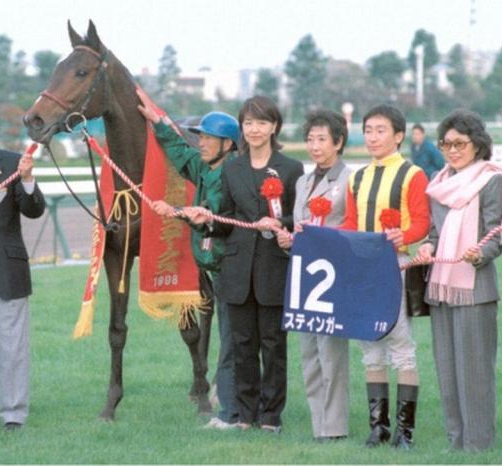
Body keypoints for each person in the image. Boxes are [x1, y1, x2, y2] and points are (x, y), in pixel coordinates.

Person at [188, 95, 304, 433]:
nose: (254, 129)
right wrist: (206, 221)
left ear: (274, 127)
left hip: (273, 267)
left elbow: (298, 220)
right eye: (249, 123)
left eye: (261, 122)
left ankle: (271, 416)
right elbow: (227, 219)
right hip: (237, 270)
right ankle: (245, 414)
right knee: (242, 345)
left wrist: (283, 229)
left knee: (273, 345)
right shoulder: (233, 168)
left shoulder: (290, 169)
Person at [136, 91, 241, 429]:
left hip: (233, 267)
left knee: (233, 338)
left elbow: (211, 211)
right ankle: (234, 401)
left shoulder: (233, 174)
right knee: (231, 337)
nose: (202, 143)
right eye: (201, 136)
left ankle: (228, 407)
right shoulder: (201, 166)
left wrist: (176, 211)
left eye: (209, 138)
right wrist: (159, 121)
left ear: (228, 144)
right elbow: (179, 152)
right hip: (214, 267)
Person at [416, 110, 502, 451]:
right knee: (447, 370)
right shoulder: (439, 182)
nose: (452, 150)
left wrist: (480, 253)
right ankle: (456, 442)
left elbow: (495, 232)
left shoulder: (492, 179)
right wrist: (428, 245)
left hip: (474, 288)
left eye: (460, 143)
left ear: (477, 144)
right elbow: (433, 231)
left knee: (474, 373)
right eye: (446, 143)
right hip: (440, 287)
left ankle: (478, 444)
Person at [341, 104, 430, 449]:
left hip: (396, 266)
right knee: (370, 346)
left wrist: (403, 236)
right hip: (363, 268)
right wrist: (319, 235)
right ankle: (379, 427)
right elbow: (350, 224)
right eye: (369, 130)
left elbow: (422, 221)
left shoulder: (412, 174)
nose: (373, 137)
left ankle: (405, 433)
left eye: (381, 130)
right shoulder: (357, 177)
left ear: (398, 136)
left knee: (401, 345)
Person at [276, 109, 350, 442]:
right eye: (310, 139)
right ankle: (317, 422)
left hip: (333, 277)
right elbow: (297, 225)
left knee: (331, 355)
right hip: (303, 277)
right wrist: (287, 237)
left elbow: (351, 227)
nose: (315, 146)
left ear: (339, 142)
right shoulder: (303, 181)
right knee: (308, 354)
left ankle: (334, 428)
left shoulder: (349, 180)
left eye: (322, 139)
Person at [0, 104, 46, 430]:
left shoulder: (10, 163)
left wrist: (28, 179)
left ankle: (13, 414)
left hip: (7, 265)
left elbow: (34, 210)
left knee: (12, 343)